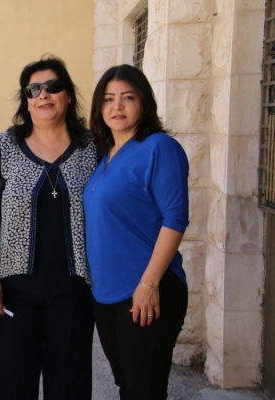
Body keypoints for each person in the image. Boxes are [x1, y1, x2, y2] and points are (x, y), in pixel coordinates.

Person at [0, 55, 96, 400]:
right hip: (16, 293)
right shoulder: (5, 145)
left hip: (74, 293)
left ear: (67, 95)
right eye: (34, 89)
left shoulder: (91, 147)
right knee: (14, 384)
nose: (44, 95)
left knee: (69, 387)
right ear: (26, 101)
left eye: (53, 87)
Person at [83, 64, 189, 399]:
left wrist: (148, 285)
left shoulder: (159, 147)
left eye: (128, 97)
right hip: (106, 294)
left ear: (144, 103)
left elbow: (175, 218)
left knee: (145, 390)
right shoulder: (105, 156)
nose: (117, 106)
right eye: (109, 99)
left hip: (147, 289)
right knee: (127, 386)